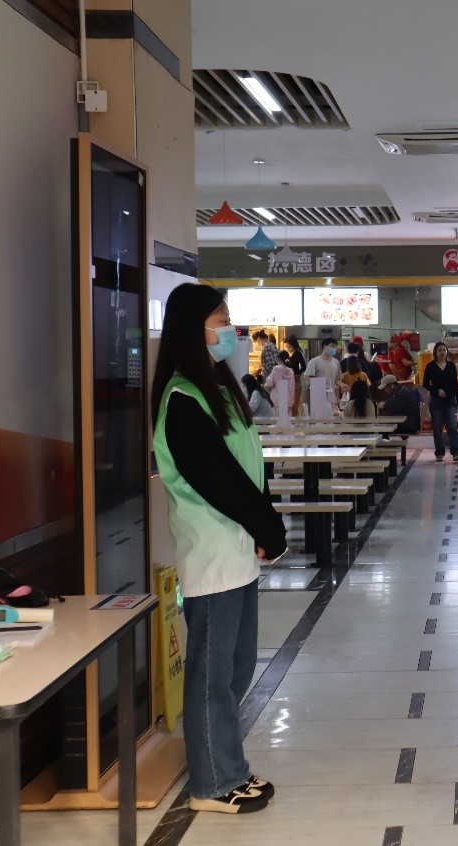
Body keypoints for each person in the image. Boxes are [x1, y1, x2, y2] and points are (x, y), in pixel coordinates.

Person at [151, 283, 286, 815]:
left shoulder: (216, 388)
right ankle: (213, 781)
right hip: (211, 554)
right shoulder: (183, 399)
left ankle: (228, 765)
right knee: (212, 673)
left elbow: (248, 466)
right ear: (194, 328)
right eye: (221, 319)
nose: (230, 329)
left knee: (236, 666)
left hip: (238, 552)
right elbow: (218, 480)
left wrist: (263, 526)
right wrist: (267, 526)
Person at [422, 341, 458, 462]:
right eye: (440, 350)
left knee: (452, 426)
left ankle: (456, 451)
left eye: (444, 350)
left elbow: (455, 383)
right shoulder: (430, 366)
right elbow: (425, 384)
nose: (442, 352)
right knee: (437, 428)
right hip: (436, 401)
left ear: (447, 352)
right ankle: (439, 452)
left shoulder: (451, 366)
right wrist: (436, 390)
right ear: (435, 352)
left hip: (450, 401)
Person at [307, 337, 342, 404]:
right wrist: (319, 384)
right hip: (318, 398)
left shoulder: (336, 362)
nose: (334, 349)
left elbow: (337, 380)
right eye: (332, 346)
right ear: (325, 347)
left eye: (335, 347)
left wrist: (342, 385)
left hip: (332, 397)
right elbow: (307, 377)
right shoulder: (314, 361)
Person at [280, 336, 306, 410]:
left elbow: (304, 367)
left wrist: (296, 374)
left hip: (296, 381)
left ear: (293, 345)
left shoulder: (298, 354)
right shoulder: (285, 354)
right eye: (286, 347)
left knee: (295, 403)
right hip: (286, 381)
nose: (287, 348)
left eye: (289, 346)